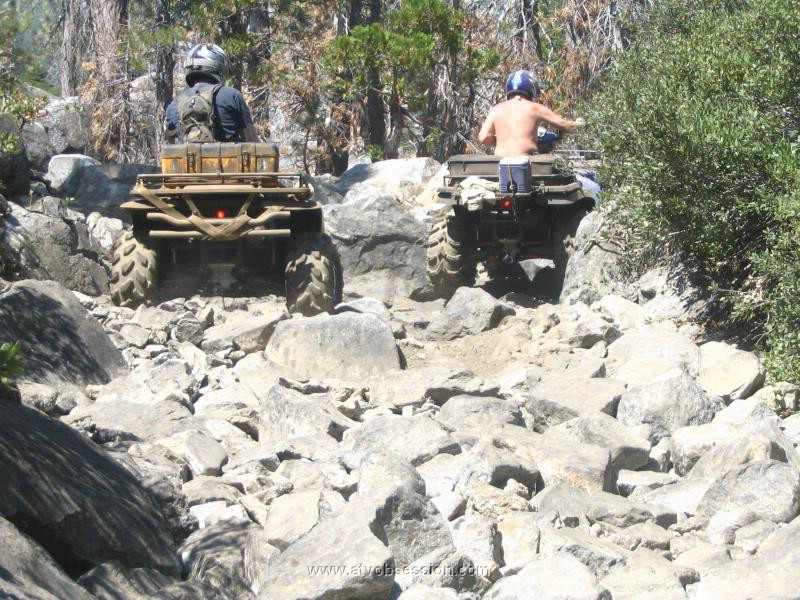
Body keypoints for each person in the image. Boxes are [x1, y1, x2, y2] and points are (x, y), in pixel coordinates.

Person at [164, 43, 258, 143]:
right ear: (218, 66)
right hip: (229, 158)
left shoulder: (175, 104)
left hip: (188, 158)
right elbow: (252, 142)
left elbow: (169, 145)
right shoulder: (232, 96)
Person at [478, 70, 585, 156]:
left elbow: (483, 137)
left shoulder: (496, 109)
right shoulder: (535, 108)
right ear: (531, 88)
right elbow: (564, 125)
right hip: (526, 162)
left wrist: (504, 140)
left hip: (501, 163)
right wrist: (580, 124)